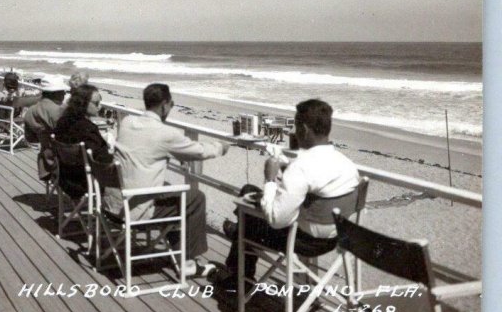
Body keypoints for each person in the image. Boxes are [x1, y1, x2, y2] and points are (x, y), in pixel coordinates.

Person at [214, 98, 360, 290]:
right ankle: (237, 232)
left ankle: (239, 279)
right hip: (335, 238)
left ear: (305, 129)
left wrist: (270, 179)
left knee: (248, 220)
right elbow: (316, 193)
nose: (295, 132)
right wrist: (286, 170)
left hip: (302, 242)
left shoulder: (301, 167)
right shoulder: (348, 165)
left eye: (296, 126)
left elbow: (276, 220)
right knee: (249, 191)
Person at [114, 83, 229, 277]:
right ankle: (188, 262)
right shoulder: (165, 133)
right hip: (138, 211)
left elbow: (155, 148)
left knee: (174, 194)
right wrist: (221, 147)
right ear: (165, 105)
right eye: (171, 104)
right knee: (195, 197)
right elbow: (198, 151)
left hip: (115, 203)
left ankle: (178, 250)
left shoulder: (127, 123)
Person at [52, 84, 113, 198]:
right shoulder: (87, 129)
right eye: (96, 103)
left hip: (65, 179)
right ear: (82, 103)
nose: (99, 107)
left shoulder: (63, 122)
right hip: (85, 183)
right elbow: (101, 158)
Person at [23, 76, 69, 143]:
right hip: (59, 150)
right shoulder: (60, 111)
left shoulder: (31, 111)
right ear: (56, 93)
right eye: (63, 91)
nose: (64, 94)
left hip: (45, 150)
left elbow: (30, 138)